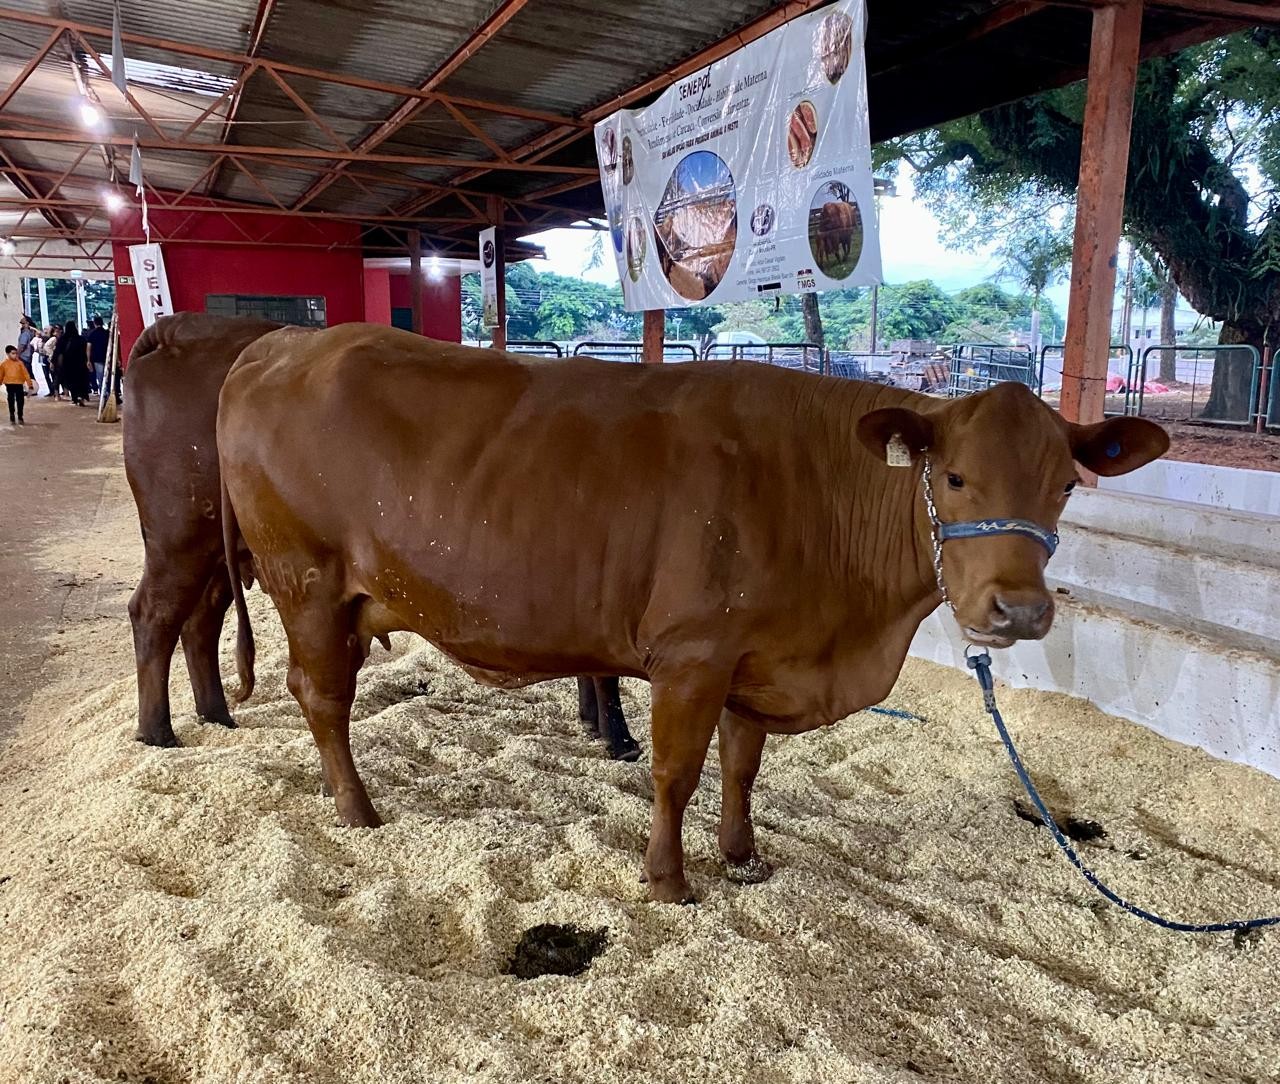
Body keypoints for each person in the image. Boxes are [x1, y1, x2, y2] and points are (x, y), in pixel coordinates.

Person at [54, 320, 90, 406]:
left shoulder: (62, 339)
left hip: (68, 365)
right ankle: (82, 396)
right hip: (80, 364)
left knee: (71, 381)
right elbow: (86, 351)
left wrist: (55, 363)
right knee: (81, 381)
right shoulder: (81, 339)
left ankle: (75, 398)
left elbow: (58, 352)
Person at [2, 343, 36, 426]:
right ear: (7, 354)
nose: (15, 355)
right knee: (11, 400)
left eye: (16, 353)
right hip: (9, 384)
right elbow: (1, 375)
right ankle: (12, 415)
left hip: (19, 384)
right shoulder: (4, 364)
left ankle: (20, 416)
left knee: (20, 401)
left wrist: (30, 384)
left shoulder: (20, 363)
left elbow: (26, 374)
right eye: (12, 353)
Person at [86, 315, 109, 395]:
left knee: (100, 377)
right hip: (107, 357)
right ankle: (109, 392)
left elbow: (88, 347)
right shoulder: (107, 333)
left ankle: (103, 394)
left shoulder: (92, 334)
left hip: (97, 359)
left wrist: (88, 360)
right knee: (108, 376)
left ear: (95, 323)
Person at [40, 325, 59, 398]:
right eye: (44, 329)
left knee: (53, 375)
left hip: (50, 358)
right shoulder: (43, 339)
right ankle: (51, 390)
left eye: (47, 329)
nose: (45, 330)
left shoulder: (53, 339)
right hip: (44, 358)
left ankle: (55, 391)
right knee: (46, 375)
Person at [17, 316, 36, 383]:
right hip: (28, 357)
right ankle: (33, 388)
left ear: (27, 323)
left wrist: (17, 355)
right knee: (29, 373)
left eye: (23, 323)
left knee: (27, 374)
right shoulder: (31, 333)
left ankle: (32, 388)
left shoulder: (25, 333)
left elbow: (22, 346)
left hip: (23, 357)